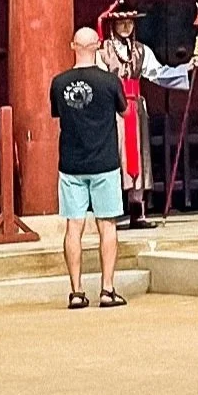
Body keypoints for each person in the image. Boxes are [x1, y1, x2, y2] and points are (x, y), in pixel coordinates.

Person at [96, 0, 194, 226]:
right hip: (114, 111)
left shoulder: (141, 50)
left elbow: (158, 73)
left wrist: (186, 68)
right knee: (115, 157)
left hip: (136, 109)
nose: (126, 27)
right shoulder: (103, 52)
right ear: (113, 25)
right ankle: (110, 211)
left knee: (138, 157)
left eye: (130, 22)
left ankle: (137, 211)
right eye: (121, 23)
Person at [50, 25, 128, 308]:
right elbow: (124, 110)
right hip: (104, 162)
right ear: (98, 46)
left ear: (73, 46)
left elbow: (57, 114)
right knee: (107, 225)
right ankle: (107, 289)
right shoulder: (109, 82)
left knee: (74, 226)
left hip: (71, 163)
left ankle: (76, 291)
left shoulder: (59, 83)